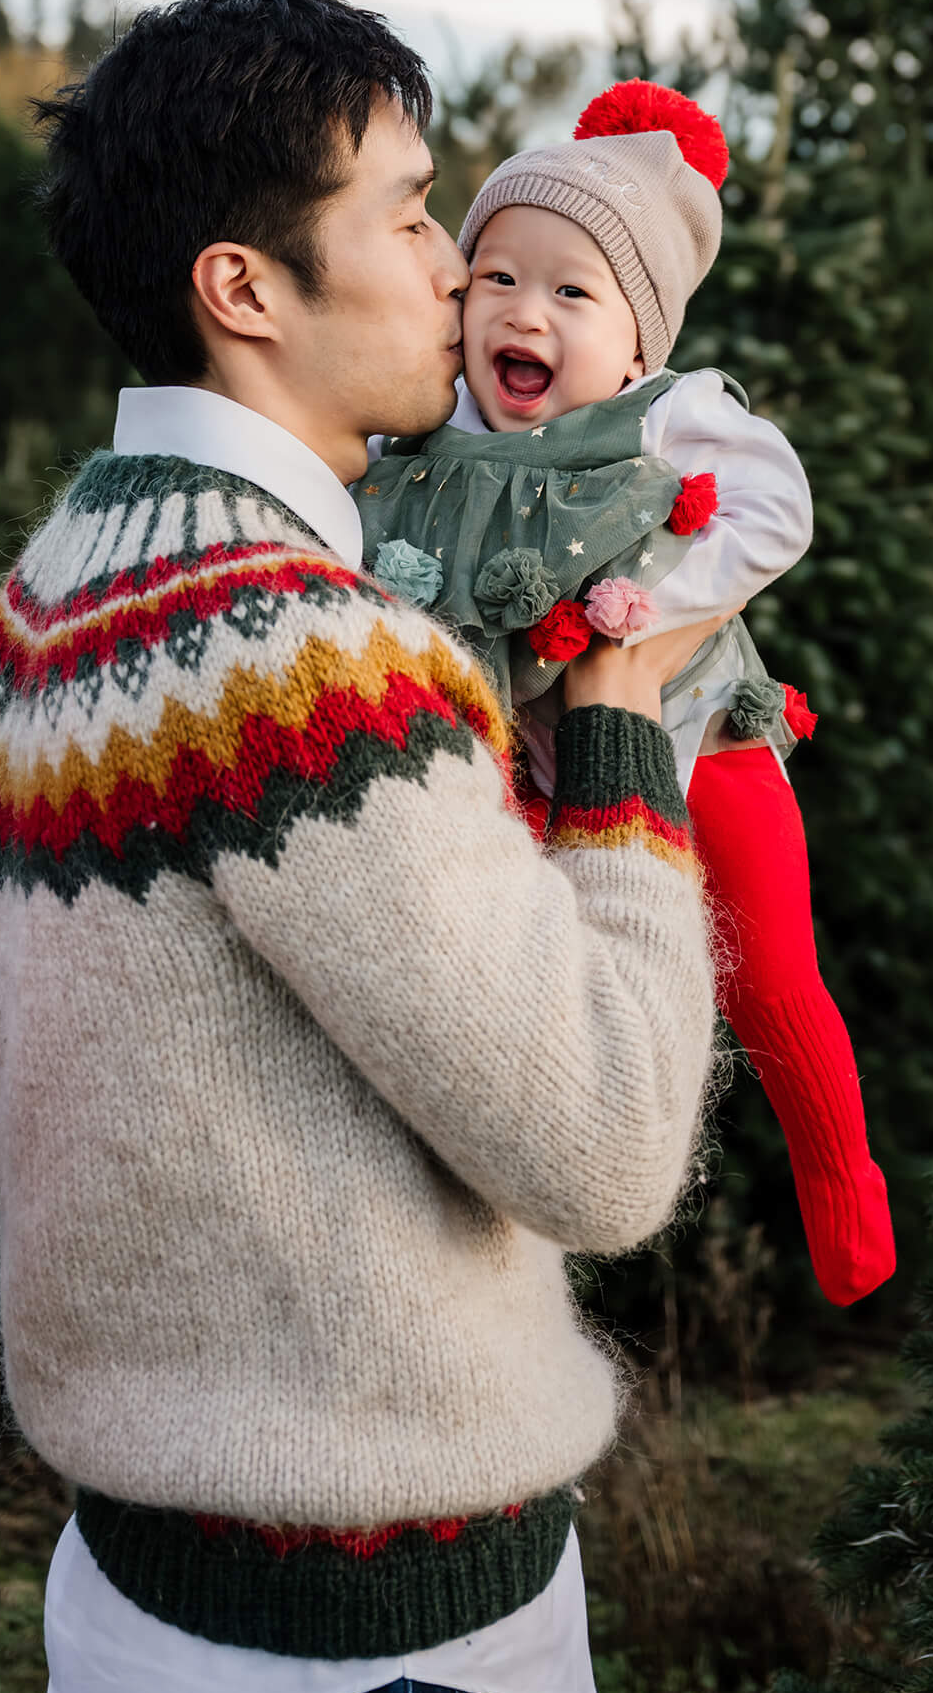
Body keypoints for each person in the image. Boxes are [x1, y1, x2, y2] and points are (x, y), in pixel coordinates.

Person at [0, 0, 722, 1693]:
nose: (459, 265)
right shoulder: (305, 656)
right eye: (402, 209)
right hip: (376, 1651)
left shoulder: (72, 574)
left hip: (156, 1594)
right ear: (243, 289)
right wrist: (616, 719)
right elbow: (603, 1150)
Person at [354, 80, 895, 1312]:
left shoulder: (670, 413)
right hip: (537, 765)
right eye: (495, 276)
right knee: (525, 975)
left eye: (569, 290)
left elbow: (777, 511)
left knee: (766, 970)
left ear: (639, 341)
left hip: (701, 735)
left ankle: (845, 1192)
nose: (522, 311)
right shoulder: (431, 431)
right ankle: (493, 1211)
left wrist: (647, 619)